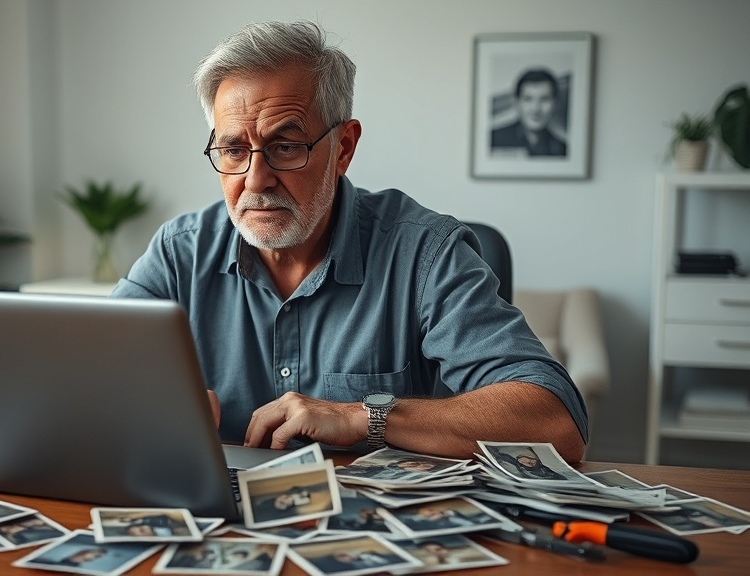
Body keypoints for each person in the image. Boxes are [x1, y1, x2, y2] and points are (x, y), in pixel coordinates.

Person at [111, 21, 587, 463]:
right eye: (234, 149)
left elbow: (557, 422)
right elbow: (87, 379)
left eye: (285, 147)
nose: (255, 180)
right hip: (219, 514)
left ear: (343, 148)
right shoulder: (179, 253)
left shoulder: (425, 254)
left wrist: (363, 416)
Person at [490, 68, 568, 156]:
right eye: (528, 99)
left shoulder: (563, 149)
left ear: (555, 103)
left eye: (544, 99)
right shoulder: (493, 139)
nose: (536, 108)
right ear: (516, 102)